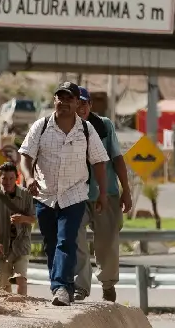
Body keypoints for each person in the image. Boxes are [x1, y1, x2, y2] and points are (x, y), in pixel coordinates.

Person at [19, 81, 110, 306]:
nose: (64, 102)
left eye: (69, 98)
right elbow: (25, 156)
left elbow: (99, 162)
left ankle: (60, 288)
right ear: (54, 101)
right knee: (51, 244)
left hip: (75, 194)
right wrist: (29, 178)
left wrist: (102, 193)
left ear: (77, 103)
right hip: (45, 195)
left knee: (66, 241)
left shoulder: (86, 130)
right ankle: (63, 286)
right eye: (60, 97)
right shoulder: (40, 127)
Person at [73, 87, 133, 303]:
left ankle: (108, 285)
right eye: (76, 103)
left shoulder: (104, 125)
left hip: (106, 193)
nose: (80, 108)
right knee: (75, 238)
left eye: (84, 103)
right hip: (77, 195)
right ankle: (80, 285)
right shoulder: (64, 128)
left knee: (107, 243)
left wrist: (126, 190)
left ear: (90, 105)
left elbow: (117, 159)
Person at [0, 162, 36, 296]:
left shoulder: (26, 195)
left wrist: (23, 219)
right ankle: (10, 312)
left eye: (11, 178)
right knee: (4, 286)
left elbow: (34, 219)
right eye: (4, 178)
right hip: (2, 247)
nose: (7, 182)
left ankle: (22, 306)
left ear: (16, 178)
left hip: (21, 244)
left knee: (21, 279)